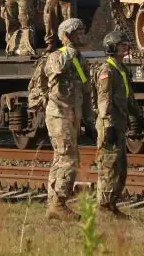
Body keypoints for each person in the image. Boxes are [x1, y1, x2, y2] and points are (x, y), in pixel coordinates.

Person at [42, 18, 95, 220]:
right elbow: (58, 69)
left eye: (84, 31)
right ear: (68, 36)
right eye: (79, 32)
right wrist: (69, 47)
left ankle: (54, 204)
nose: (84, 35)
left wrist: (89, 119)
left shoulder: (80, 60)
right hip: (59, 114)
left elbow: (85, 89)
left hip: (73, 116)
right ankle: (59, 203)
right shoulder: (57, 56)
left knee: (61, 158)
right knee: (68, 159)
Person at [93, 31, 143, 219]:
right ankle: (104, 206)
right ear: (112, 47)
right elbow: (104, 99)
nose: (126, 47)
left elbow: (128, 96)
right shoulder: (107, 70)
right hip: (110, 125)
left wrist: (137, 114)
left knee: (120, 166)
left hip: (119, 123)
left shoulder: (121, 69)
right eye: (122, 45)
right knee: (109, 165)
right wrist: (107, 125)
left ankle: (111, 204)